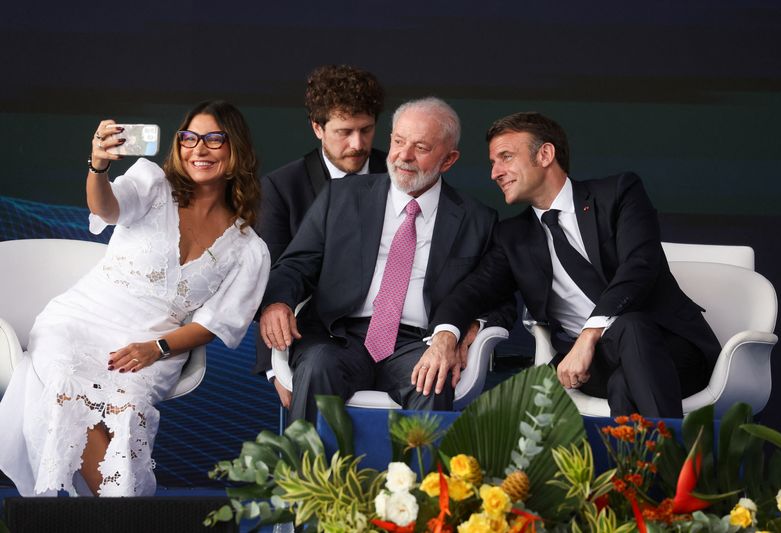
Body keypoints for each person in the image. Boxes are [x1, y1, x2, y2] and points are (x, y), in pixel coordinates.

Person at [0, 100, 270, 497]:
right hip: (77, 322)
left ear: (236, 151)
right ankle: (117, 514)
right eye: (189, 138)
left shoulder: (249, 248)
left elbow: (215, 324)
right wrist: (99, 166)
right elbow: (105, 207)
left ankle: (114, 513)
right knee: (64, 384)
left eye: (214, 139)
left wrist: (156, 347)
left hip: (151, 345)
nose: (199, 149)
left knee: (124, 417)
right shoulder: (152, 183)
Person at [420, 112, 720, 418]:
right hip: (593, 365)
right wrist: (446, 334)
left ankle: (657, 465)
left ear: (546, 154)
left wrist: (589, 335)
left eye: (506, 157)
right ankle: (670, 465)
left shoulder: (618, 194)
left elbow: (640, 266)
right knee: (519, 408)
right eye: (492, 163)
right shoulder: (513, 237)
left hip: (668, 350)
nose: (495, 173)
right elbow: (472, 291)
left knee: (629, 343)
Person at [260, 97, 515, 424]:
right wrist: (277, 302)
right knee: (317, 365)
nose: (403, 156)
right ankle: (304, 475)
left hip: (418, 342)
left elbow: (500, 300)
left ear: (448, 160)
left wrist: (470, 328)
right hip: (339, 336)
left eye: (421, 147)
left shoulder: (477, 219)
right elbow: (295, 264)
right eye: (397, 141)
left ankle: (423, 476)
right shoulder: (343, 197)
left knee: (433, 380)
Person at [254, 65, 386, 406]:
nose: (358, 144)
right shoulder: (282, 188)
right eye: (344, 132)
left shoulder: (402, 176)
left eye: (366, 130)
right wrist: (275, 365)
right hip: (317, 336)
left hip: (398, 334)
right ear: (317, 128)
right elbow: (272, 278)